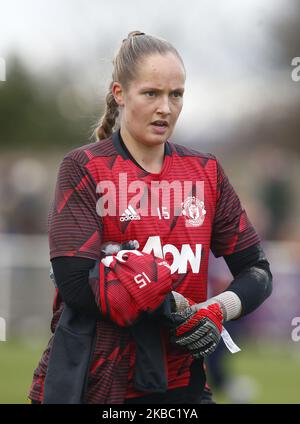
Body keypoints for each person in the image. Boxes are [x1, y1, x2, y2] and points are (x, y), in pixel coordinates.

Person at [28, 31, 272, 404]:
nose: (166, 108)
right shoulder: (84, 167)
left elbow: (257, 271)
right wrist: (170, 304)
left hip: (181, 383)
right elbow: (75, 284)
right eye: (151, 94)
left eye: (176, 95)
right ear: (120, 93)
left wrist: (216, 310)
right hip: (95, 383)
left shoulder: (205, 171)